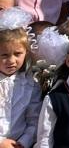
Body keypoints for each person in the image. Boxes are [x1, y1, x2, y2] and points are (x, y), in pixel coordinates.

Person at [0, 16, 41, 148]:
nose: (11, 61)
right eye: (4, 55)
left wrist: (23, 141)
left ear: (26, 53)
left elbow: (34, 119)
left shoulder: (31, 84)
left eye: (17, 54)